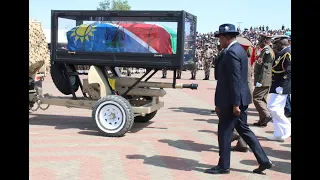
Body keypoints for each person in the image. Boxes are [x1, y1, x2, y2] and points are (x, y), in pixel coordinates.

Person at [204, 23, 273, 175]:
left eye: (220, 38)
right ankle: (264, 160)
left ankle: (223, 166)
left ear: (226, 37)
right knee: (245, 130)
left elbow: (235, 80)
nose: (218, 41)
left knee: (224, 133)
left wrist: (235, 104)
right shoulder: (237, 50)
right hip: (238, 99)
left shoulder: (231, 53)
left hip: (231, 101)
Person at [267, 35, 291, 141]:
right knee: (277, 110)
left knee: (273, 107)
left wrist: (282, 86)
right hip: (276, 84)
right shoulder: (281, 53)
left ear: (281, 43)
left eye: (276, 44)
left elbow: (289, 71)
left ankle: (287, 128)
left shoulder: (288, 53)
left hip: (281, 85)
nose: (275, 46)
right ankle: (278, 133)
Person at [252, 34, 275, 127]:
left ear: (264, 41)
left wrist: (260, 81)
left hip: (264, 80)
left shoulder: (267, 52)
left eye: (260, 41)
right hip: (264, 79)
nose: (259, 43)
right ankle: (262, 120)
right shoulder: (265, 51)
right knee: (262, 99)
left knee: (256, 97)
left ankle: (266, 115)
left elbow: (265, 68)